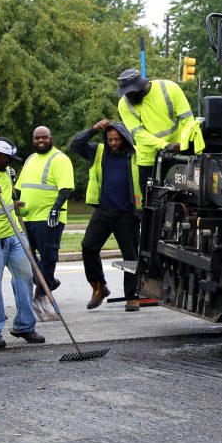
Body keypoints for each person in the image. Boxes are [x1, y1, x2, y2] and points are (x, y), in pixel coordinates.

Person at [0, 137, 44, 348]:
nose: (10, 161)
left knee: (25, 276)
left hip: (13, 233)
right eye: (8, 158)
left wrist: (14, 203)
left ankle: (24, 326)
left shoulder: (6, 172)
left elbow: (2, 202)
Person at [70, 120, 142, 311]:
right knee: (88, 246)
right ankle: (99, 287)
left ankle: (132, 296)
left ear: (124, 139)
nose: (112, 143)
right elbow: (75, 145)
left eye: (116, 139)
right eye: (109, 139)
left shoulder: (135, 154)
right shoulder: (99, 151)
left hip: (127, 212)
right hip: (104, 210)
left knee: (130, 256)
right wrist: (93, 129)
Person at [15, 126, 74, 321]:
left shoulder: (60, 159)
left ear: (51, 138)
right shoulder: (31, 158)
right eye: (37, 138)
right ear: (33, 139)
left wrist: (56, 208)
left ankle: (41, 295)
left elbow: (65, 188)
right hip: (28, 218)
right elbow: (20, 188)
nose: (41, 141)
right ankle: (48, 283)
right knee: (31, 259)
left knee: (48, 257)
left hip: (49, 219)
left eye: (44, 137)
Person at [114, 69, 204, 197]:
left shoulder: (170, 88)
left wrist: (183, 146)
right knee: (150, 200)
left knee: (182, 197)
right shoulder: (124, 104)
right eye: (125, 93)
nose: (127, 96)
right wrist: (165, 145)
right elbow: (139, 134)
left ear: (141, 86)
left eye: (130, 92)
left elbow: (187, 122)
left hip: (178, 153)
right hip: (149, 157)